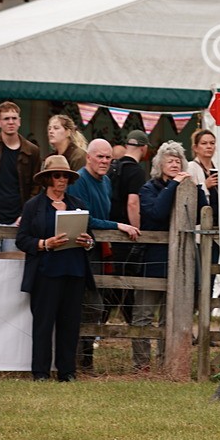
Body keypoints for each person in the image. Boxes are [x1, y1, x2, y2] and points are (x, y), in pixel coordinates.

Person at [15, 155, 95, 381]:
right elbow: (22, 239)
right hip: (46, 272)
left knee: (70, 325)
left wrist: (87, 242)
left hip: (74, 271)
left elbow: (92, 239)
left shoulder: (78, 204)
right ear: (48, 178)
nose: (62, 180)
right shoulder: (33, 206)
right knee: (43, 324)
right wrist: (44, 244)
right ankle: (40, 372)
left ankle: (67, 371)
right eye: (57, 175)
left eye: (66, 176)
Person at [134, 141, 207, 371]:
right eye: (170, 160)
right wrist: (173, 186)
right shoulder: (148, 189)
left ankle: (167, 361)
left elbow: (201, 212)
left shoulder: (186, 185)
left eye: (178, 160)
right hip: (153, 260)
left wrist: (196, 187)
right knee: (144, 315)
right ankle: (142, 364)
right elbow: (157, 213)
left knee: (170, 316)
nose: (175, 163)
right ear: (159, 164)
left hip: (180, 262)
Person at [68, 139, 140, 372]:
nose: (104, 161)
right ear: (88, 157)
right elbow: (86, 218)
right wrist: (118, 225)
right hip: (81, 249)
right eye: (100, 156)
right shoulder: (79, 181)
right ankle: (79, 359)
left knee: (97, 304)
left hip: (100, 249)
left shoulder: (107, 181)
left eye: (108, 157)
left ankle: (85, 360)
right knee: (89, 303)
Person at [0, 101, 41, 252]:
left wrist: (25, 214)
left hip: (18, 220)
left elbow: (36, 187)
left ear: (20, 121)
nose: (11, 122)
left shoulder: (32, 151)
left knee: (13, 269)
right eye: (6, 118)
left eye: (14, 118)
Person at [108, 130, 149, 279]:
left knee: (114, 273)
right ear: (144, 148)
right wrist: (137, 229)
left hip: (111, 225)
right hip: (127, 230)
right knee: (128, 275)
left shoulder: (114, 167)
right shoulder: (137, 171)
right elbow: (132, 203)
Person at [187, 128, 220, 228]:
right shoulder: (190, 167)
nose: (209, 146)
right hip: (200, 225)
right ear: (195, 148)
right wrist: (205, 185)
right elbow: (188, 196)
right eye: (204, 143)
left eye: (212, 143)